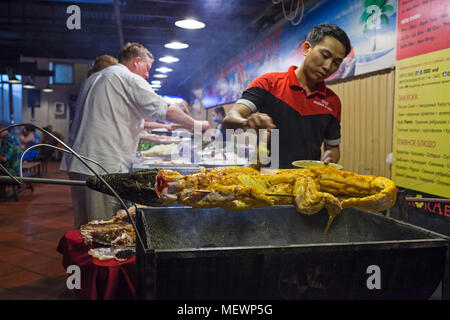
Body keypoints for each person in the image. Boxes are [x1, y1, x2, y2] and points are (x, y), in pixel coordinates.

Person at [60, 42, 209, 228]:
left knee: (84, 225)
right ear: (137, 61)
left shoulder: (96, 78)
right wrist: (197, 124)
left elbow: (119, 117)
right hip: (101, 162)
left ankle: (82, 257)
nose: (147, 75)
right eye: (147, 68)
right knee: (103, 227)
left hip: (79, 161)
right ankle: (100, 258)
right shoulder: (127, 77)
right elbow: (165, 110)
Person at [223, 23, 351, 169]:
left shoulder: (332, 101)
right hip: (265, 179)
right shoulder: (269, 83)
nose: (328, 66)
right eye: (325, 55)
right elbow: (230, 119)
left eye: (336, 62)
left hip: (306, 183)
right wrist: (246, 123)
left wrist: (329, 158)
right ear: (306, 48)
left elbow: (332, 147)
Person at [0, 122, 22, 199]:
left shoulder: (8, 140)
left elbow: (4, 158)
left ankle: (2, 195)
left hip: (11, 172)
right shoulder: (13, 137)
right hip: (16, 170)